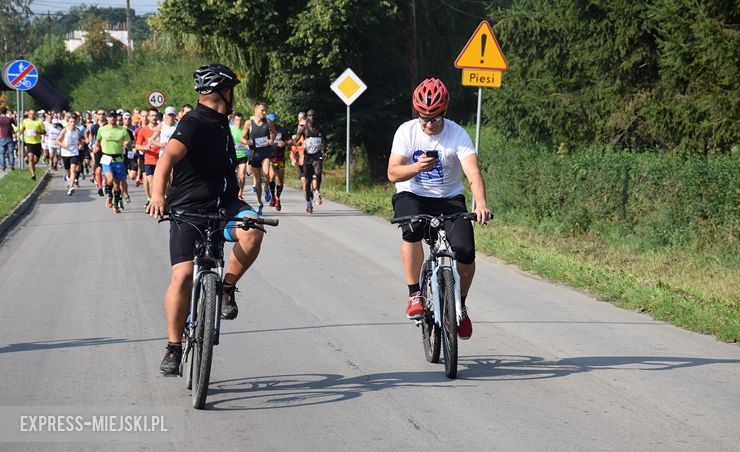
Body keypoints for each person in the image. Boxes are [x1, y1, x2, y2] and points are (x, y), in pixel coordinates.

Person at [146, 63, 266, 376]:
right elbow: (167, 158)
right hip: (189, 210)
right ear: (224, 92)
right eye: (232, 90)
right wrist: (158, 195)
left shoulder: (221, 122)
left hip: (225, 206)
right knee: (183, 275)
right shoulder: (195, 121)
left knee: (253, 228)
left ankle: (226, 288)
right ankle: (173, 347)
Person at [387, 77, 492, 340]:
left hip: (449, 198)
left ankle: (460, 307)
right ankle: (414, 294)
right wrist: (416, 168)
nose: (429, 124)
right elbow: (392, 173)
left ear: (444, 113)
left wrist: (481, 204)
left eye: (435, 118)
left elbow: (473, 172)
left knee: (466, 251)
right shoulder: (406, 132)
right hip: (413, 194)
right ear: (417, 114)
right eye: (424, 118)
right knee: (411, 229)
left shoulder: (457, 134)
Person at [240, 101, 273, 215]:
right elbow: (242, 138)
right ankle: (259, 203)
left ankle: (267, 188)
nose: (264, 112)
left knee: (266, 172)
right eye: (262, 110)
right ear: (256, 111)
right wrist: (247, 141)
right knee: (258, 180)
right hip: (255, 154)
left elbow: (273, 133)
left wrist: (271, 139)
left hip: (265, 153)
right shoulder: (249, 123)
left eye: (265, 110)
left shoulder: (268, 122)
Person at [96, 111, 130, 213]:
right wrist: (96, 146)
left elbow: (128, 141)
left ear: (117, 118)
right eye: (110, 117)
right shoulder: (102, 129)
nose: (112, 119)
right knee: (109, 179)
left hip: (119, 159)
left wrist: (126, 143)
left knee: (117, 184)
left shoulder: (122, 130)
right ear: (107, 118)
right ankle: (109, 196)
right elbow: (98, 140)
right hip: (107, 157)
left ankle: (115, 203)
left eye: (114, 117)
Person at [293, 109, 326, 214]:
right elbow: (296, 139)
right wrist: (295, 143)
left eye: (313, 115)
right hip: (307, 156)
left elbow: (324, 140)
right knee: (307, 182)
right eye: (310, 115)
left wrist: (324, 151)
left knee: (318, 172)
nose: (312, 117)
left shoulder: (319, 127)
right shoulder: (303, 128)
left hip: (317, 155)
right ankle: (308, 203)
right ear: (307, 117)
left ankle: (317, 191)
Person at [266, 113, 292, 211]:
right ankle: (273, 197)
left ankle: (278, 198)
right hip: (268, 157)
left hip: (279, 157)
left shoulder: (282, 130)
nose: (273, 123)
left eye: (274, 121)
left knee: (280, 179)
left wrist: (284, 142)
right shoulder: (265, 130)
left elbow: (290, 141)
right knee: (271, 177)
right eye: (271, 121)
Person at [55, 115, 83, 195]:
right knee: (68, 171)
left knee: (73, 170)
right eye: (71, 122)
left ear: (76, 122)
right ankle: (68, 177)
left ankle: (71, 187)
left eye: (74, 122)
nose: (72, 123)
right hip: (65, 153)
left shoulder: (77, 130)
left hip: (74, 152)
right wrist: (64, 145)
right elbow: (57, 141)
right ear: (68, 123)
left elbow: (79, 138)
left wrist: (81, 144)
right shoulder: (64, 130)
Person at [18, 109, 46, 180]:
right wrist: (19, 134)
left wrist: (38, 132)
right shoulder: (25, 121)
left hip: (37, 143)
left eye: (33, 114)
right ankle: (33, 174)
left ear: (35, 114)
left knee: (35, 160)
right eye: (30, 114)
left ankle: (32, 166)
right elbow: (22, 129)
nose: (32, 115)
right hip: (29, 142)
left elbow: (44, 132)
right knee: (31, 158)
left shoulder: (39, 122)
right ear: (28, 114)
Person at [0, 107, 16, 171]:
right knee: (11, 153)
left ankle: (3, 166)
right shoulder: (9, 119)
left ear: (0, 112)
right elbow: (16, 124)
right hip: (9, 137)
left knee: (2, 153)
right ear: (6, 111)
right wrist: (13, 117)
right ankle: (11, 166)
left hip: (2, 137)